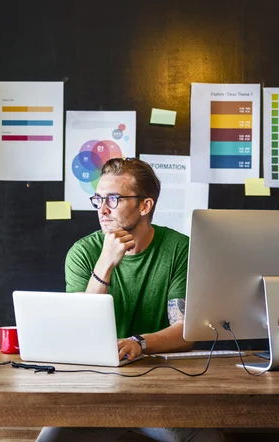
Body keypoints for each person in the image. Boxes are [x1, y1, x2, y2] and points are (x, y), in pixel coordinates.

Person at [36, 157, 224, 442]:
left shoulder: (180, 250)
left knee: (207, 439)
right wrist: (104, 265)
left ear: (145, 205)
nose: (102, 209)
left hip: (162, 389)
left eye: (113, 198)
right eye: (98, 199)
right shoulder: (83, 252)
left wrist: (139, 343)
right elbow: (80, 332)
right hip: (94, 389)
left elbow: (185, 332)